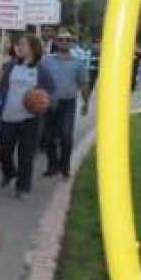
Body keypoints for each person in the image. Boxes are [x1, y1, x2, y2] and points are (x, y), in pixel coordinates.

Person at [0, 34, 55, 198]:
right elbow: (2, 88)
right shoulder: (10, 66)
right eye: (18, 45)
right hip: (8, 115)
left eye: (22, 45)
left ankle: (23, 187)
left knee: (26, 154)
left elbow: (50, 90)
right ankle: (9, 172)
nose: (18, 47)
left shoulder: (41, 70)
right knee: (4, 150)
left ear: (33, 48)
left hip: (30, 119)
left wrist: (43, 102)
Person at [39, 29, 91, 180]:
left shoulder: (78, 63)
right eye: (61, 40)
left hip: (67, 103)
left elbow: (84, 83)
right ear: (56, 42)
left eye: (67, 40)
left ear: (72, 43)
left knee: (66, 136)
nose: (64, 42)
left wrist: (86, 103)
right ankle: (52, 165)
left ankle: (65, 167)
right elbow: (38, 79)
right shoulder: (46, 61)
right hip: (49, 103)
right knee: (48, 137)